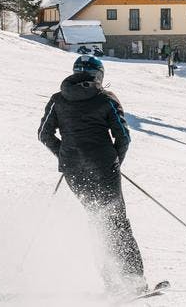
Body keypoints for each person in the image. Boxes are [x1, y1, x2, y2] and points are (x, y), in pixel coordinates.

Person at [37, 56, 147, 297]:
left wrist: (65, 155)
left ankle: (111, 283)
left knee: (97, 220)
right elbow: (123, 136)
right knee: (116, 221)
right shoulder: (106, 98)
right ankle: (133, 281)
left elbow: (44, 134)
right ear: (99, 75)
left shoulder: (58, 100)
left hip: (74, 170)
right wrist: (114, 161)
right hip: (103, 167)